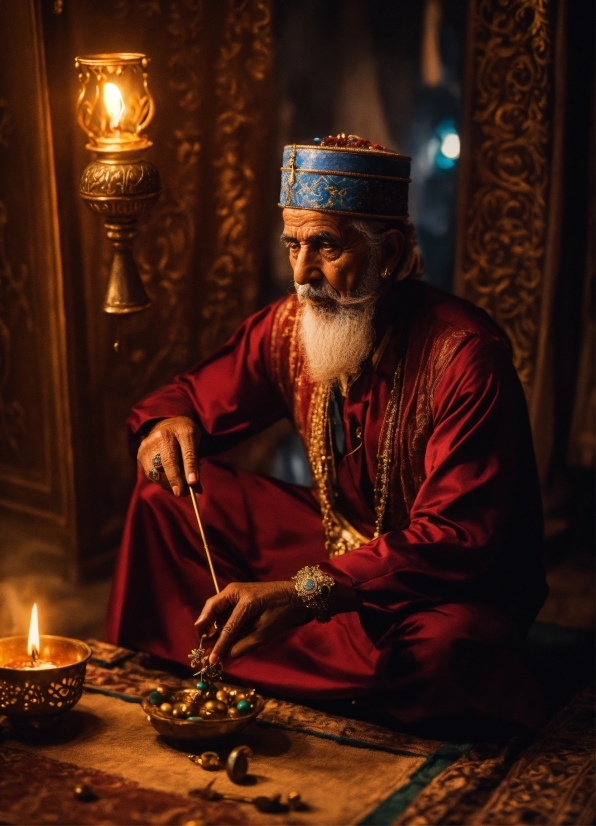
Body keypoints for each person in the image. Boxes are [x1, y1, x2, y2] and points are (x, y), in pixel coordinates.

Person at [106, 135, 548, 735]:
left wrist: (306, 592)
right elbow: (195, 394)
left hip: (443, 584)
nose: (301, 274)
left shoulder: (466, 357)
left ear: (388, 251)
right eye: (293, 244)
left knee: (448, 653)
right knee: (167, 494)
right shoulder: (293, 325)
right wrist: (168, 423)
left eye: (326, 246)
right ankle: (304, 660)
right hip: (340, 544)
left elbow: (457, 538)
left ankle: (267, 652)